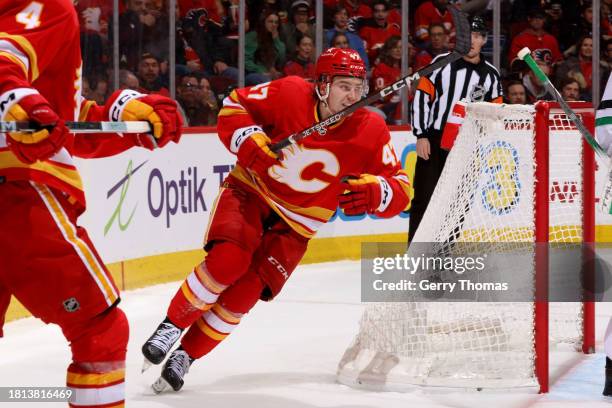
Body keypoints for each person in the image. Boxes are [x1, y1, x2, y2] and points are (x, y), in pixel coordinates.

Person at [141, 47, 410, 393]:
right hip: (252, 191)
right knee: (228, 262)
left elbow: (401, 187)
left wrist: (379, 192)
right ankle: (171, 325)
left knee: (245, 293)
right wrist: (247, 138)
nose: (353, 95)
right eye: (344, 86)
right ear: (323, 85)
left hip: (297, 226)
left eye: (358, 87)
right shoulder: (290, 93)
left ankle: (186, 356)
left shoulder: (371, 127)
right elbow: (235, 105)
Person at [0, 1, 183, 407]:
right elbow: (6, 68)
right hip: (19, 191)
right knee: (100, 331)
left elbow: (60, 118)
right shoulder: (49, 5)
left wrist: (125, 120)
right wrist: (16, 103)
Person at [409, 16, 502, 242]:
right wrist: (421, 135)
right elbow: (421, 98)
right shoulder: (441, 63)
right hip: (434, 140)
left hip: (467, 146)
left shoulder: (491, 75)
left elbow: (495, 114)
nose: (472, 40)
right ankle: (415, 255)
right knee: (425, 199)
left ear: (484, 41)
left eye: (478, 36)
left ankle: (445, 256)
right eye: (467, 35)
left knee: (457, 204)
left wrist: (482, 143)